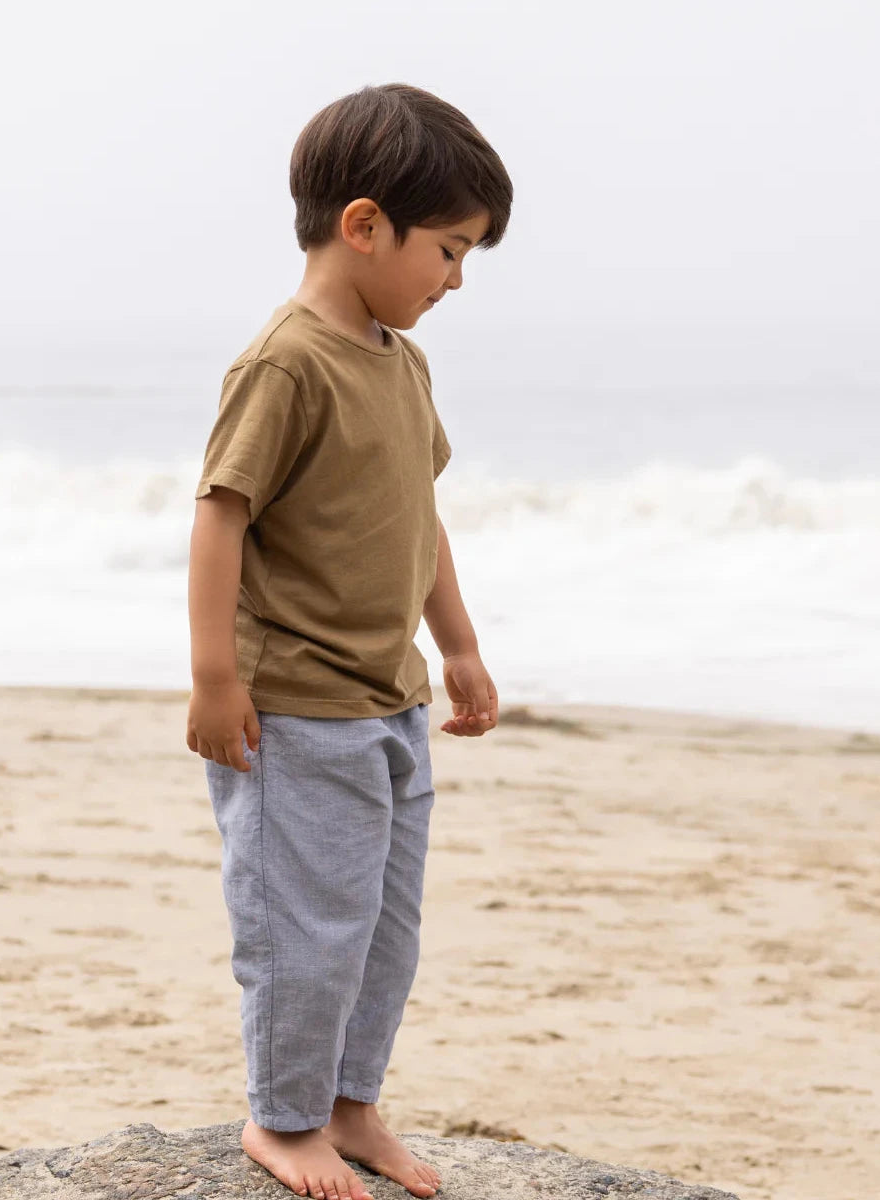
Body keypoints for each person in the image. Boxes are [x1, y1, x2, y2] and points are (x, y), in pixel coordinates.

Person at [186, 83, 513, 1200]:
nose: (457, 278)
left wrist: (459, 647)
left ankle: (350, 1104)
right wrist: (215, 677)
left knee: (384, 929)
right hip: (295, 708)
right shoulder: (286, 363)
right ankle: (282, 1121)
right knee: (302, 931)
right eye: (451, 249)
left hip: (390, 702)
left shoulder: (402, 362)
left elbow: (418, 517)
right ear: (366, 225)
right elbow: (220, 512)